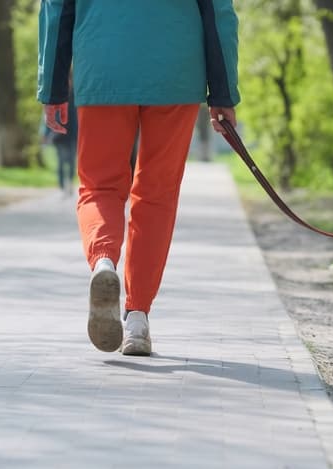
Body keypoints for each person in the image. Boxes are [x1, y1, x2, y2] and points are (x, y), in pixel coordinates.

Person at [37, 1, 240, 355]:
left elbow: (56, 7)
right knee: (156, 194)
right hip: (175, 71)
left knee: (100, 186)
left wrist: (53, 87)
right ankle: (137, 319)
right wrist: (222, 92)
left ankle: (103, 261)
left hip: (103, 65)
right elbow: (218, 10)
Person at [43, 83, 77, 194]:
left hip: (72, 134)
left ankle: (69, 183)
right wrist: (46, 133)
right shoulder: (57, 94)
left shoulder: (75, 94)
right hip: (58, 134)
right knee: (61, 161)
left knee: (71, 161)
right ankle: (62, 186)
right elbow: (48, 115)